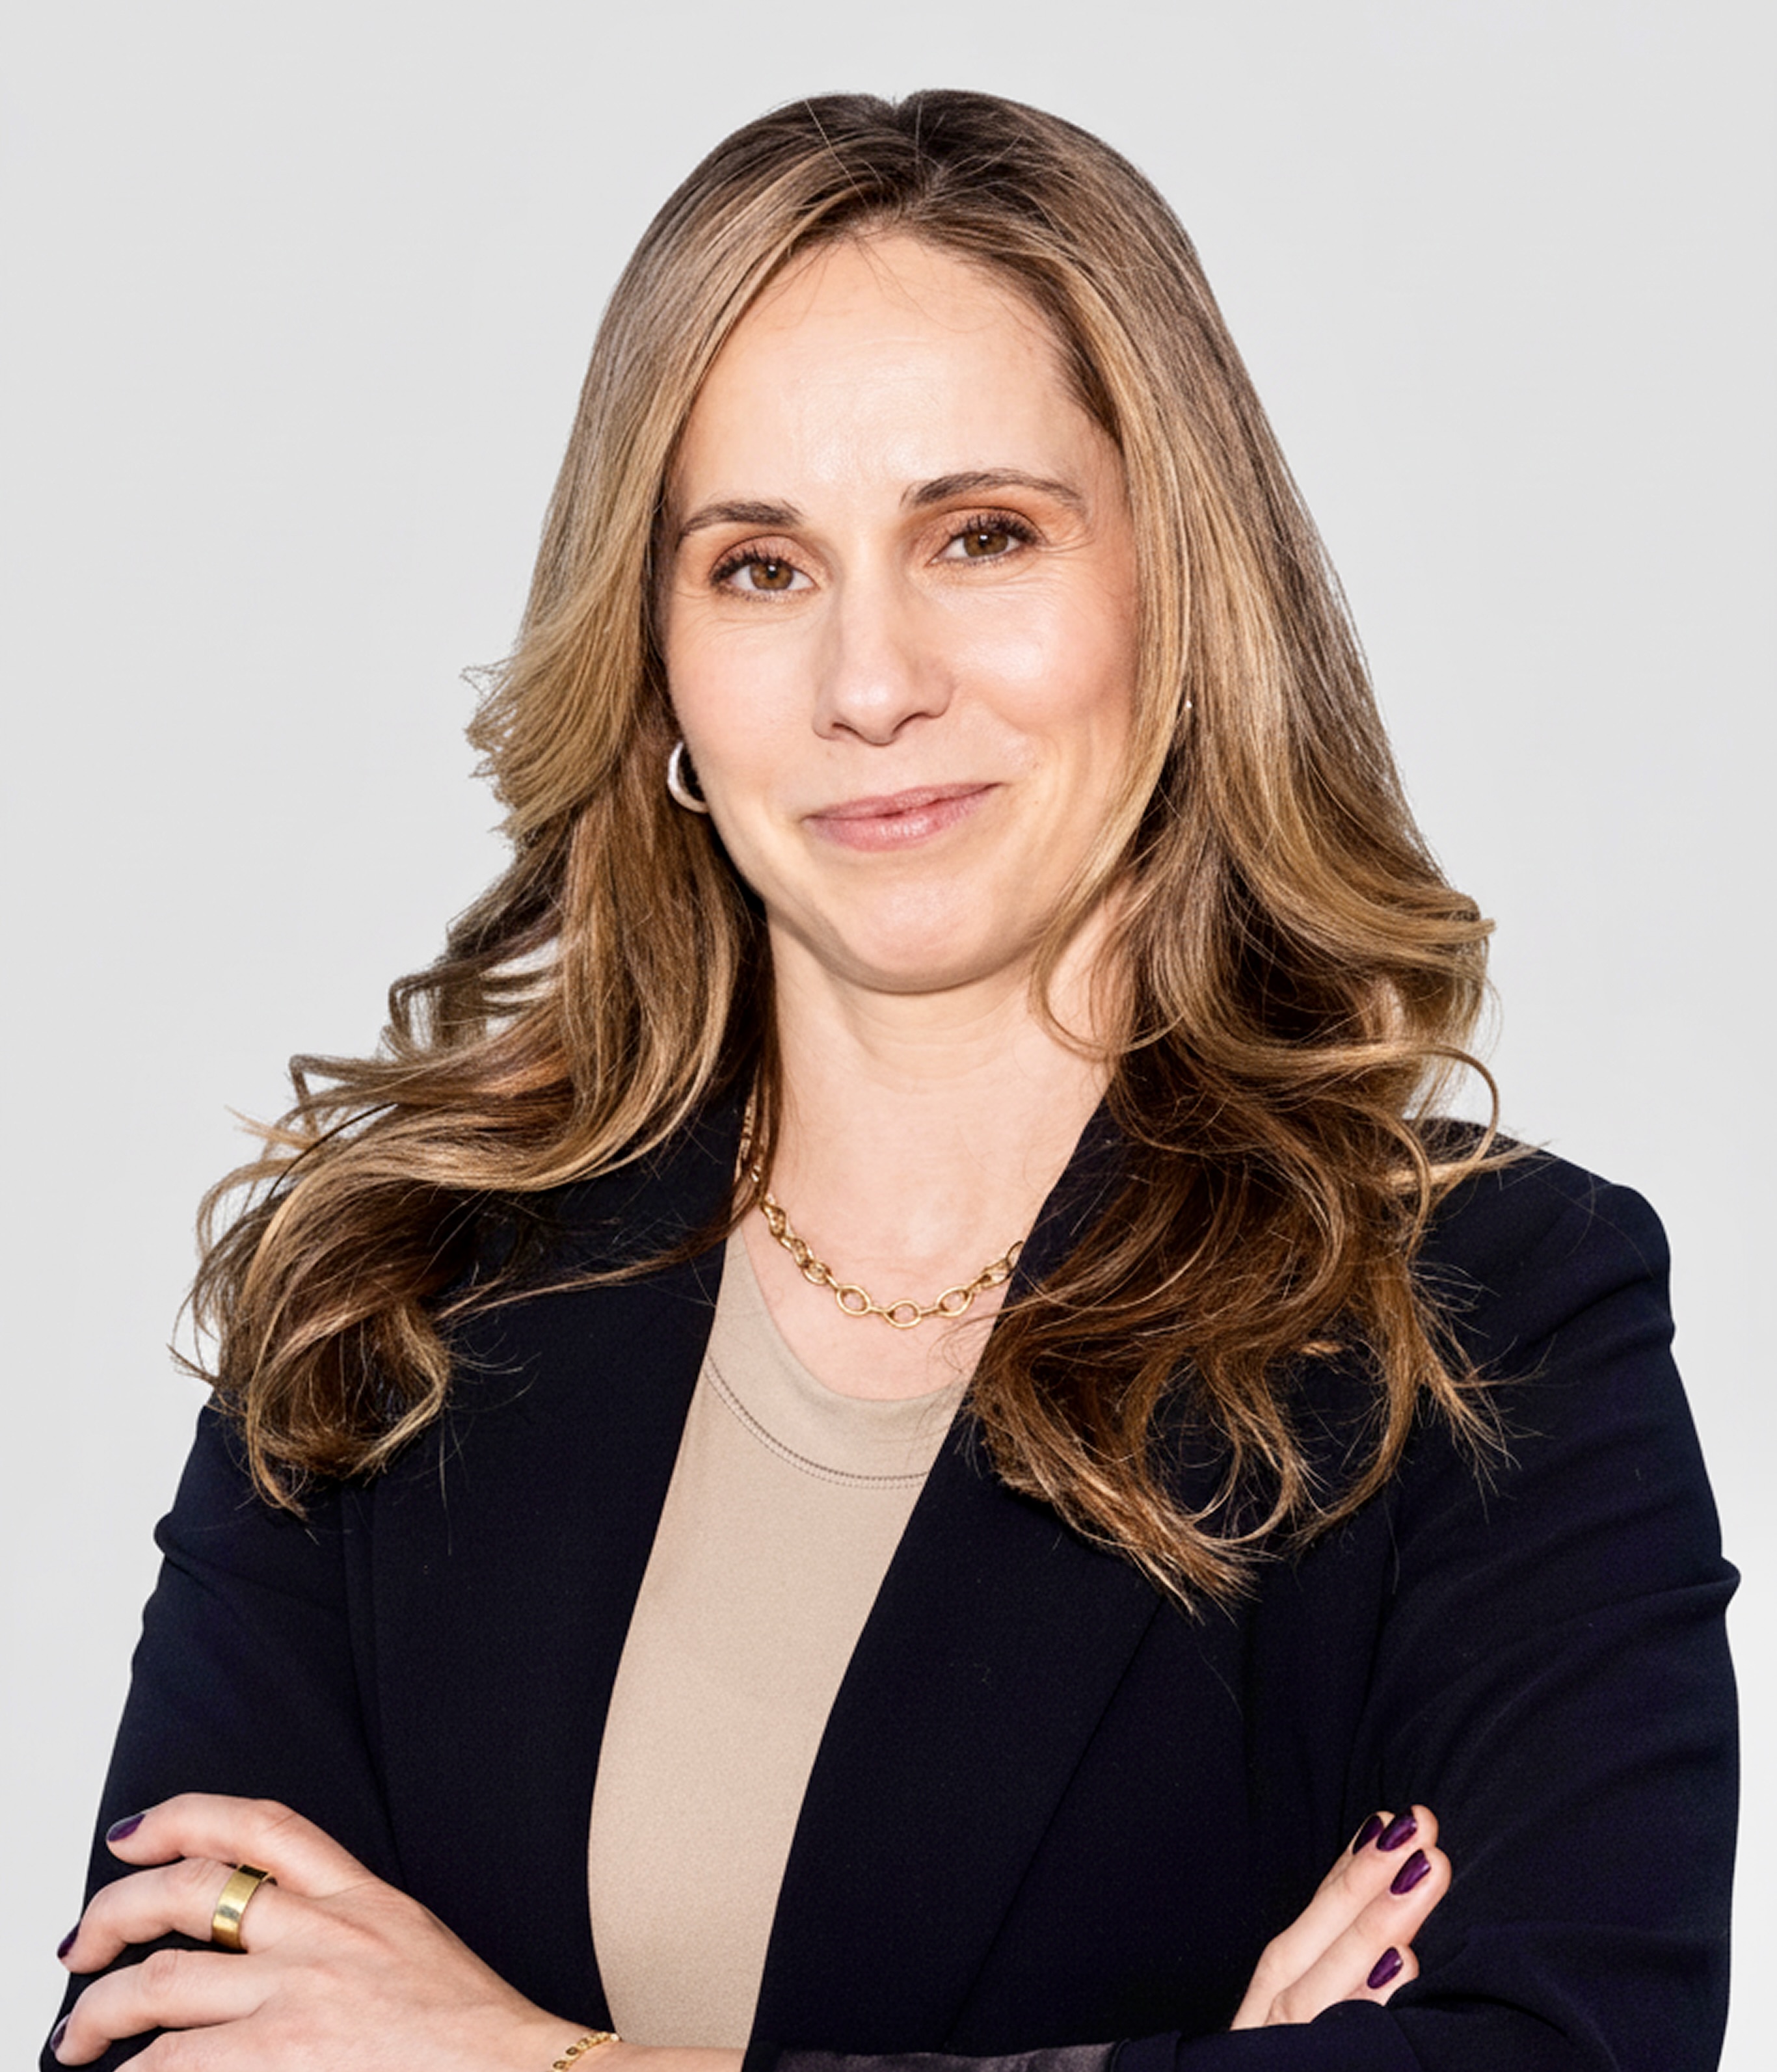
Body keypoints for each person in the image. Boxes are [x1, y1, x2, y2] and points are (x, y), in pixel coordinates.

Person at [44, 89, 1735, 2072]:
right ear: (657, 660)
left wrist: (523, 2057)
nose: (870, 684)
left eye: (981, 536)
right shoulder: (386, 1298)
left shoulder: (1483, 1323)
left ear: (1177, 586)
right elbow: (167, 2036)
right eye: (758, 567)